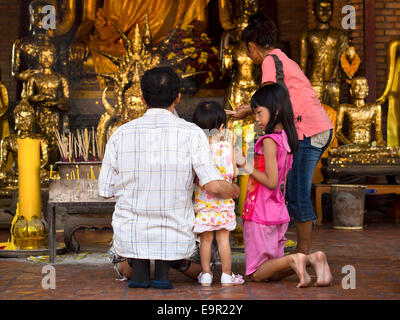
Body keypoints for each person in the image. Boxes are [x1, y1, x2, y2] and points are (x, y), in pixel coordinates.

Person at [98, 66, 240, 289]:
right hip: (176, 238)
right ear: (178, 97)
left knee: (117, 252)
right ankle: (171, 264)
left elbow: (105, 191)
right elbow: (213, 185)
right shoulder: (192, 133)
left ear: (143, 98)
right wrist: (235, 190)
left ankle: (139, 266)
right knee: (207, 253)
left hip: (130, 238)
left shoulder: (119, 134)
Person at [235, 13, 333, 255]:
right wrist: (249, 111)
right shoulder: (283, 58)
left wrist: (246, 112)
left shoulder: (270, 60)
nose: (250, 57)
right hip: (313, 129)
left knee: (298, 192)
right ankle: (303, 251)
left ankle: (305, 253)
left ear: (251, 46)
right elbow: (278, 98)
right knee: (293, 191)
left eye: (248, 52)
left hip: (308, 131)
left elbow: (269, 100)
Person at [235, 84, 332, 287]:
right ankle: (312, 259)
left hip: (259, 212)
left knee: (256, 274)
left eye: (259, 112)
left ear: (276, 111)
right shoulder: (286, 139)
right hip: (276, 211)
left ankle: (294, 258)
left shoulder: (269, 140)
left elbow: (271, 181)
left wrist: (244, 164)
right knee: (271, 269)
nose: (256, 119)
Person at [192, 101, 245, 287]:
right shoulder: (227, 147)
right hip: (224, 203)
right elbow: (235, 174)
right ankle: (226, 275)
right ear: (221, 127)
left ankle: (206, 275)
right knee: (223, 240)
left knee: (205, 240)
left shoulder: (197, 150)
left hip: (203, 205)